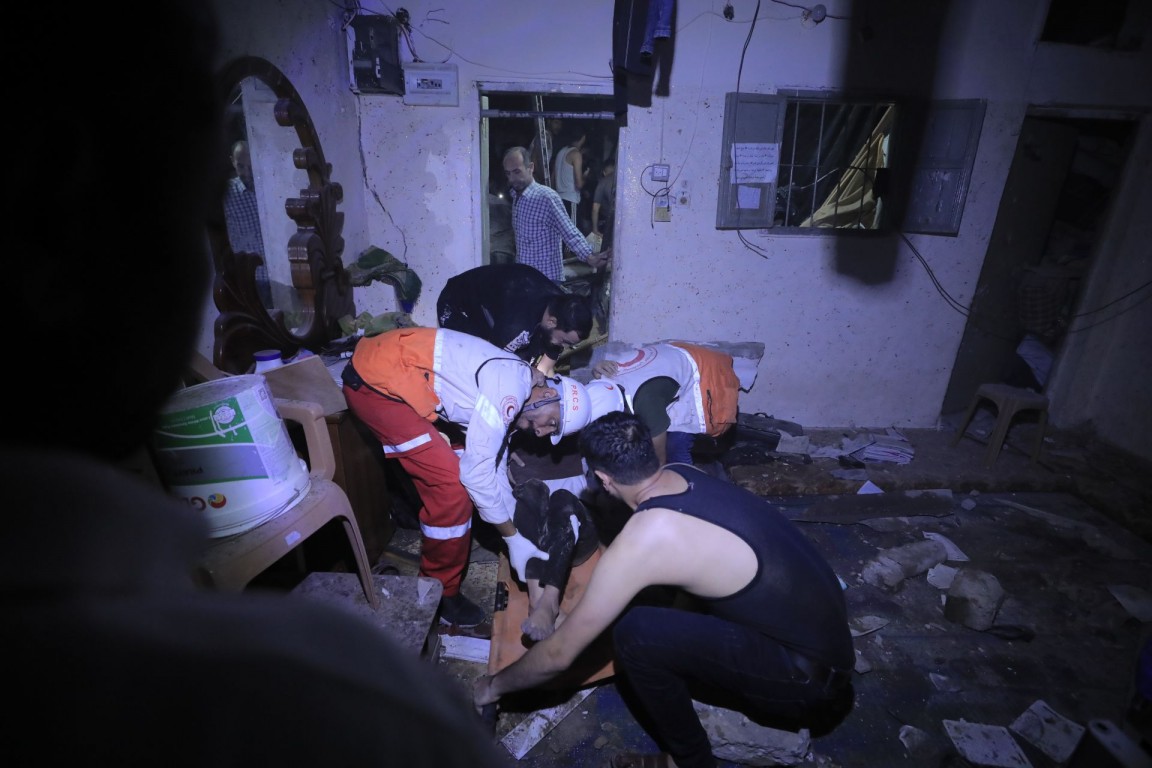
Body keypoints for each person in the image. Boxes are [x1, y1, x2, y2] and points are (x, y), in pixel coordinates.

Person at [6, 4, 508, 767]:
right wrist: (509, 527)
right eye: (193, 207)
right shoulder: (335, 696)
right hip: (378, 383)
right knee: (446, 482)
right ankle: (442, 583)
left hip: (392, 378)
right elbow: (476, 469)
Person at [474, 411, 855, 768]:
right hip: (830, 636)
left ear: (604, 479)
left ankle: (688, 761)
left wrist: (492, 687)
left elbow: (559, 655)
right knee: (661, 604)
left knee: (635, 633)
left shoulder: (645, 538)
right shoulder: (682, 472)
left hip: (808, 683)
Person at [340, 326, 553, 628]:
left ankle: (452, 560)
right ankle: (439, 591)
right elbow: (477, 475)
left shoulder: (518, 380)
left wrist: (514, 531)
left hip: (393, 373)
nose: (541, 432)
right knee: (451, 488)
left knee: (464, 456)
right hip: (376, 387)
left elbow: (492, 467)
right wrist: (512, 538)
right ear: (549, 393)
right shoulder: (511, 390)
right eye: (552, 422)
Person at [517, 341, 742, 465]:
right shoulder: (601, 380)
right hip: (675, 361)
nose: (540, 431)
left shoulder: (646, 403)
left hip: (707, 376)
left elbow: (657, 461)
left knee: (675, 451)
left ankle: (687, 501)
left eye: (553, 424)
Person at [437, 262, 594, 375]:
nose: (565, 347)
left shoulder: (562, 307)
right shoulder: (517, 327)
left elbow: (545, 365)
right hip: (456, 305)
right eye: (565, 341)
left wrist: (541, 376)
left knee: (537, 355)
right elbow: (493, 367)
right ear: (551, 321)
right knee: (473, 363)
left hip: (501, 302)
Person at [503, 145, 611, 283]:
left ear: (530, 167)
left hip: (547, 281)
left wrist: (590, 257)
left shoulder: (546, 197)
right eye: (508, 173)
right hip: (525, 280)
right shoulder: (516, 197)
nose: (512, 179)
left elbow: (569, 231)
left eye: (517, 172)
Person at [223, 139, 273, 307]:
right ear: (232, 161)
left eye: (251, 167)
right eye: (241, 166)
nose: (247, 173)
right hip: (254, 282)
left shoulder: (270, 186)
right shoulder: (227, 195)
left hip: (281, 276)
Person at [552, 123, 590, 224]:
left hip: (558, 199)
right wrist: (585, 176)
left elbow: (553, 177)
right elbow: (579, 184)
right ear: (583, 137)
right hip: (570, 200)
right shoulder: (576, 154)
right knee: (572, 231)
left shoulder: (560, 152)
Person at [591, 158, 618, 249]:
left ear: (604, 172)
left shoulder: (603, 182)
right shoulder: (625, 181)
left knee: (603, 250)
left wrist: (595, 230)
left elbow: (595, 209)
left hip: (607, 221)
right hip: (623, 222)